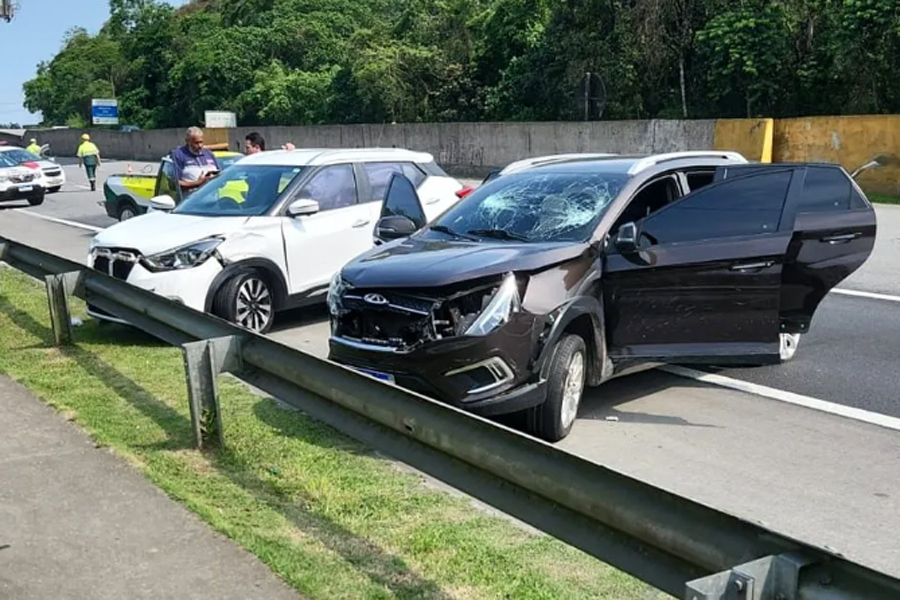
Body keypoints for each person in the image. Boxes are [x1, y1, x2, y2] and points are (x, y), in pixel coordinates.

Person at [171, 126, 219, 197]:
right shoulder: (178, 155)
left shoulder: (208, 154)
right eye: (196, 143)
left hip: (212, 201)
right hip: (190, 203)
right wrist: (197, 183)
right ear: (187, 141)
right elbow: (173, 184)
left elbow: (220, 175)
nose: (200, 146)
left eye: (201, 142)